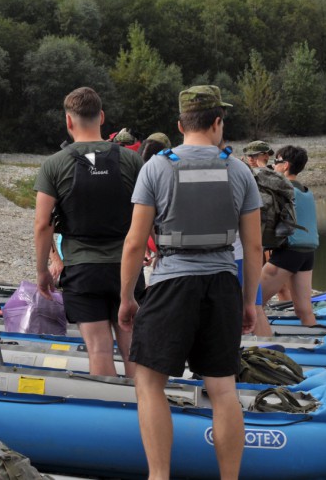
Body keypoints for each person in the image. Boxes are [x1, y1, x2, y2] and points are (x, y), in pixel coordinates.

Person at [119, 85, 261, 479]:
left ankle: (159, 476)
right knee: (223, 389)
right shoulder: (240, 171)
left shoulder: (156, 167)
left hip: (170, 284)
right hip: (221, 284)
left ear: (181, 126)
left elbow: (134, 243)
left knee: (150, 383)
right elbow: (253, 247)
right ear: (218, 122)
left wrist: (127, 297)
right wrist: (249, 301)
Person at [34, 87, 144, 377]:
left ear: (68, 121)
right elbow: (149, 213)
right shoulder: (132, 160)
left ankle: (107, 403)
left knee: (99, 349)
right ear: (102, 117)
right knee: (132, 347)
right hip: (127, 268)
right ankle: (143, 402)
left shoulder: (54, 164)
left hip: (82, 270)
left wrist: (42, 270)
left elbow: (43, 223)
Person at [258, 146, 319, 329]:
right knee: (304, 309)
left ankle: (260, 340)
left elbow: (261, 181)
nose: (273, 165)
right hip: (307, 254)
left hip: (287, 253)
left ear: (285, 165)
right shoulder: (305, 190)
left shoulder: (284, 188)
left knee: (252, 302)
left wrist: (259, 165)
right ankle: (318, 340)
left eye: (275, 162)